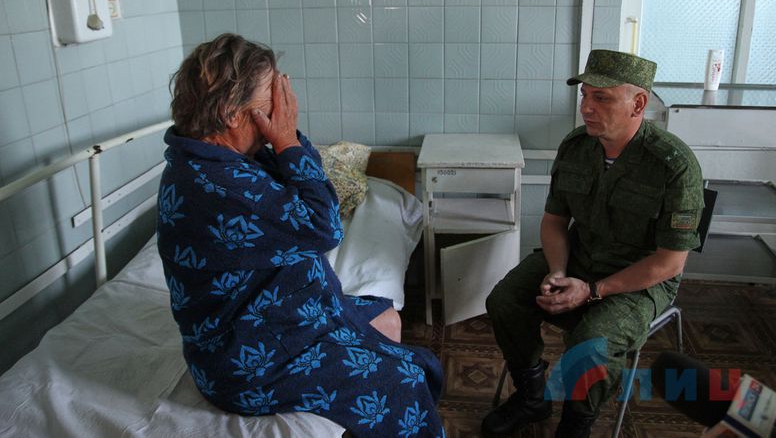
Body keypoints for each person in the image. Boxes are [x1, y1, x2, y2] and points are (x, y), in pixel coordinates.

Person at [157, 34, 444, 437]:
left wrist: (285, 136)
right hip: (254, 356)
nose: (281, 109)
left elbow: (300, 172)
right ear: (232, 114)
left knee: (385, 315)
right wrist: (287, 138)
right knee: (406, 382)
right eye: (270, 100)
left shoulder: (217, 157)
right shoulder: (219, 185)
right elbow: (325, 226)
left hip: (285, 315)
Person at [481, 50, 704, 438]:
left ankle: (576, 424)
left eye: (602, 97)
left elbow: (669, 263)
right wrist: (557, 271)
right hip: (579, 257)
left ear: (638, 104)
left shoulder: (674, 165)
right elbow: (554, 221)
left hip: (639, 280)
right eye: (585, 95)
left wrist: (593, 290)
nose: (586, 107)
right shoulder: (576, 147)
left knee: (591, 342)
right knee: (504, 300)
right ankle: (532, 397)